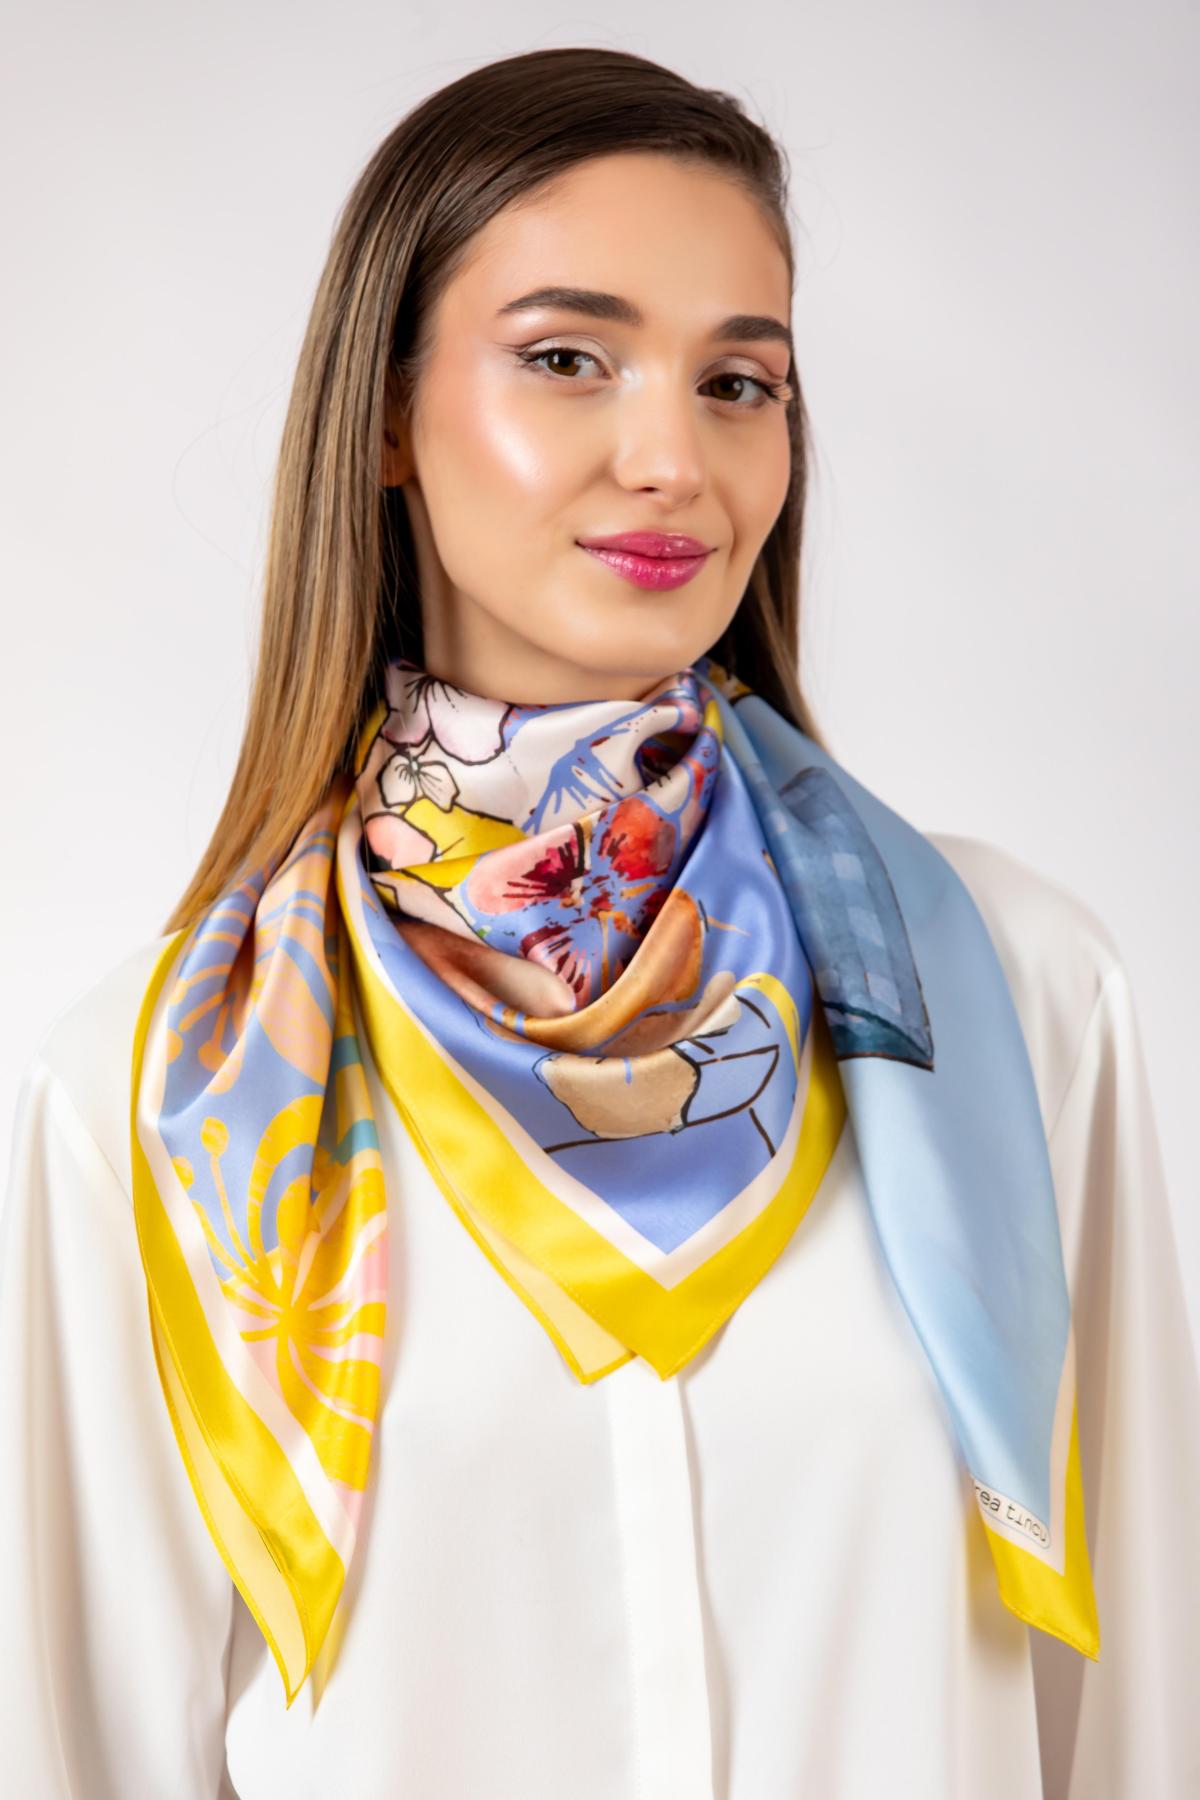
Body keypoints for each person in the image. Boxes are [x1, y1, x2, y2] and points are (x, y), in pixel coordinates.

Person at [1, 44, 1197, 1800]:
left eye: (738, 383)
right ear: (388, 419)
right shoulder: (168, 1094)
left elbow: (1142, 1714)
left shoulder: (1002, 992)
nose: (673, 458)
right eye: (569, 358)